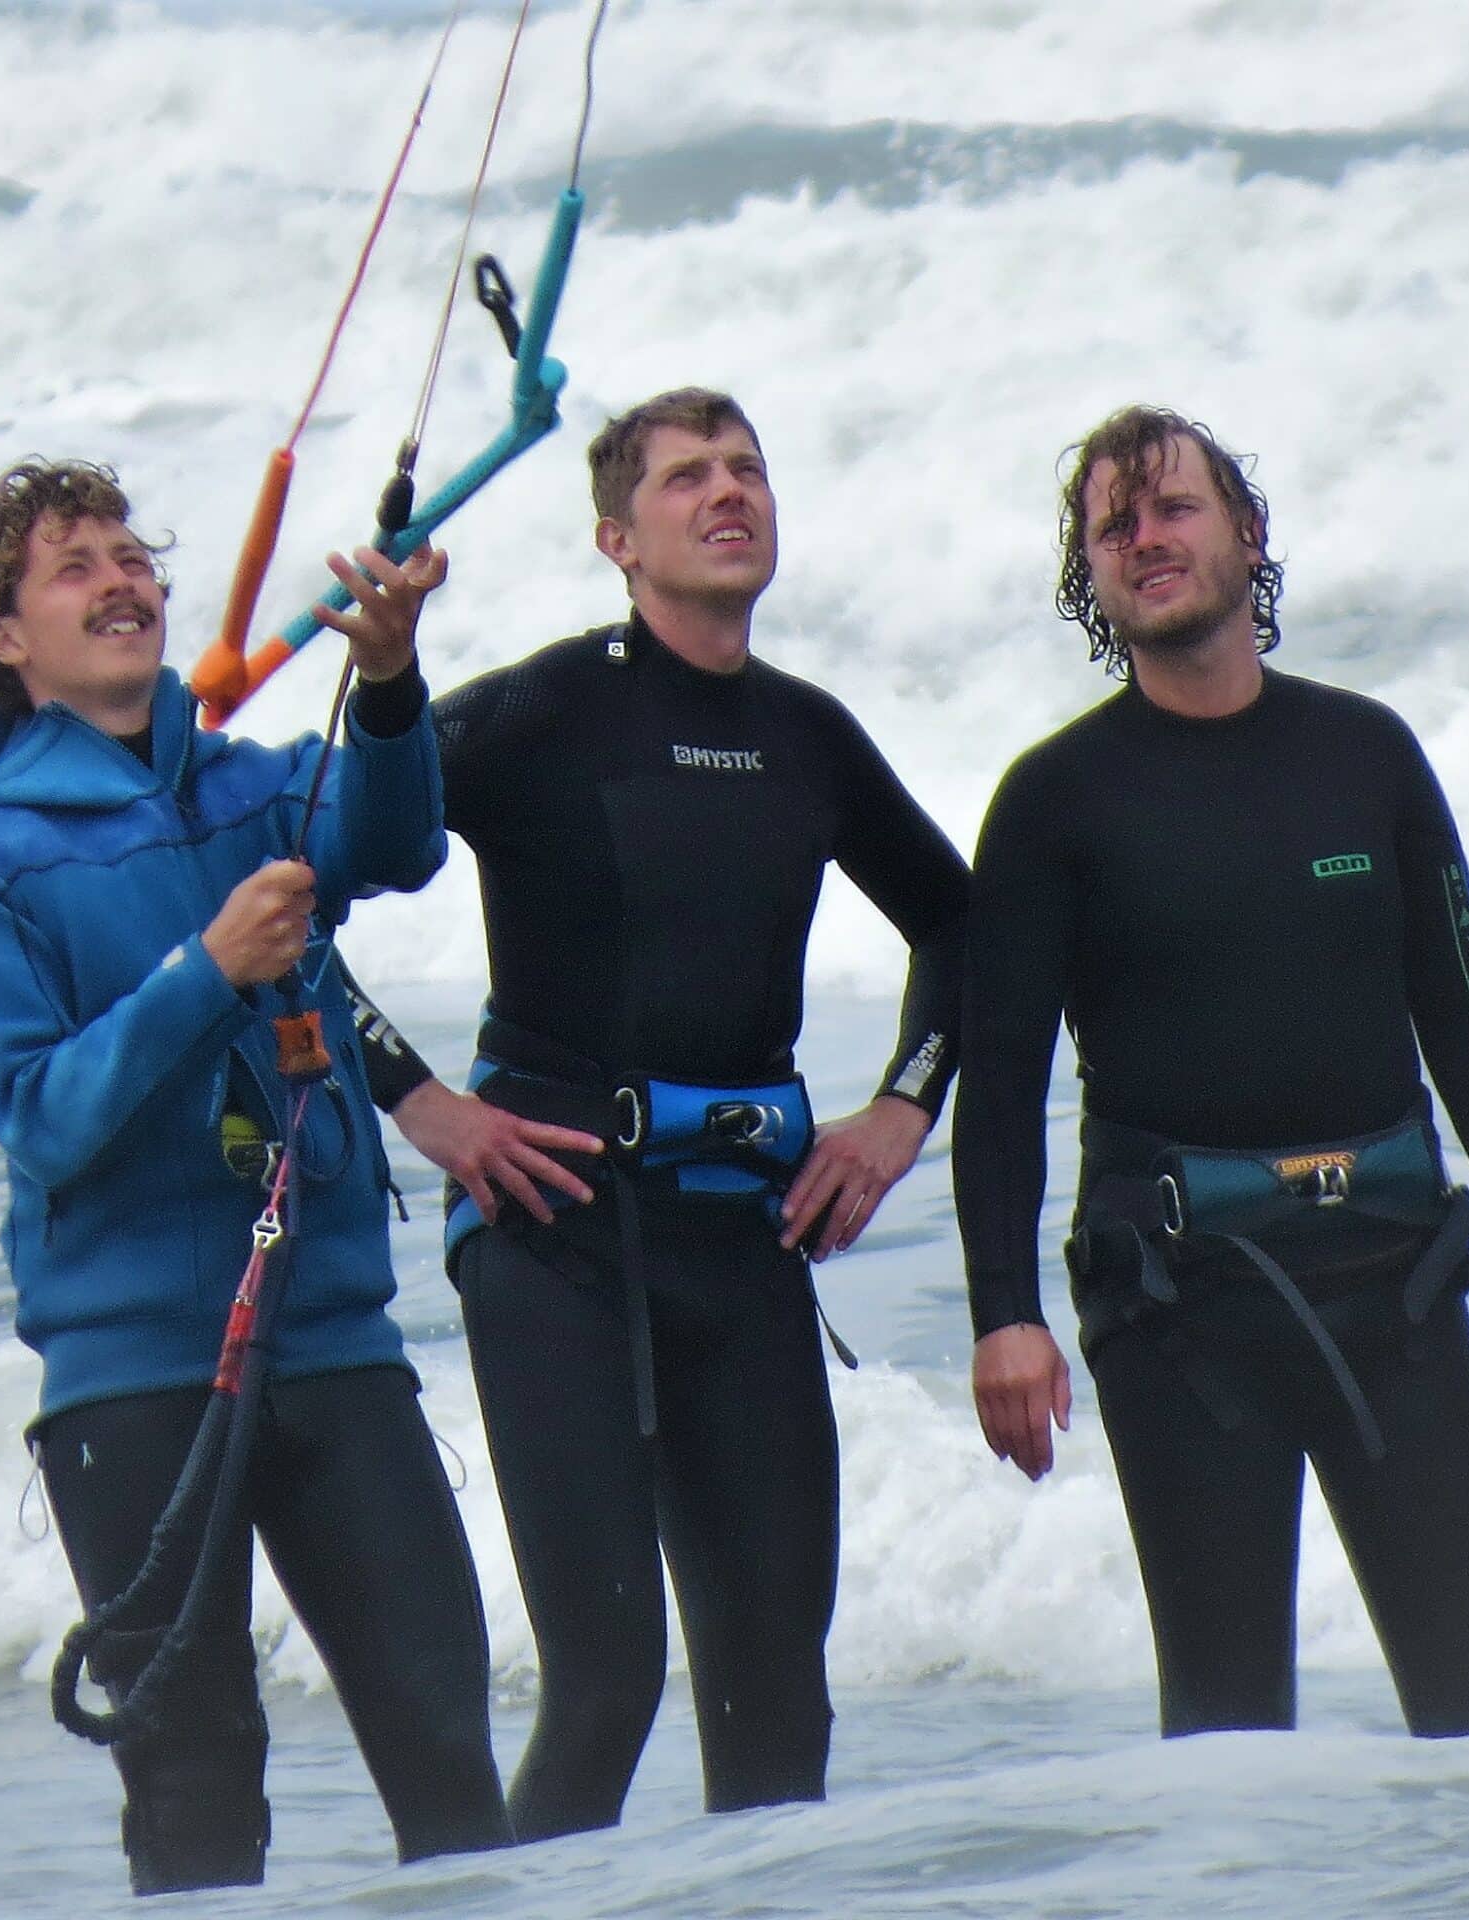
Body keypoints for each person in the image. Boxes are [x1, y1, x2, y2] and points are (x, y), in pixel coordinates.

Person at [353, 388, 971, 1838]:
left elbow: (963, 927)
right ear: (616, 539)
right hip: (554, 1238)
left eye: (749, 467)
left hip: (743, 1248)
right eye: (689, 476)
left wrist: (897, 1114)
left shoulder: (807, 736)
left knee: (780, 1700)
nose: (729, 492)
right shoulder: (549, 708)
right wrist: (423, 1102)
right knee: (610, 1682)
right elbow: (295, 881)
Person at [954, 406, 1469, 1740]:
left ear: (1246, 536)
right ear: (1092, 573)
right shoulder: (1055, 800)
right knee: (1225, 1733)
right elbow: (1003, 1081)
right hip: (1178, 1308)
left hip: (1396, 1280)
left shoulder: (1365, 756)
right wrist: (1002, 1315)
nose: (1147, 538)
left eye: (1176, 508)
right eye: (1114, 525)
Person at [0, 459, 510, 1895]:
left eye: (134, 558)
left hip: (335, 1343)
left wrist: (385, 684)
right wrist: (208, 972)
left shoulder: (256, 792)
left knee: (447, 1760)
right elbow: (44, 1118)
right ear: (6, 637)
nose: (123, 582)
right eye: (76, 567)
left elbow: (396, 841)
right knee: (194, 1796)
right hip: (134, 1377)